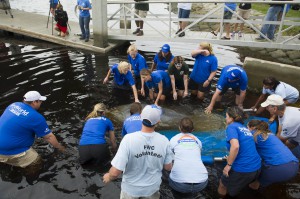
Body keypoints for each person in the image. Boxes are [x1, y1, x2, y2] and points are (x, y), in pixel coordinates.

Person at [103, 105, 173, 199]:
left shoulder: (128, 139)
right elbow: (168, 167)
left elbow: (115, 172)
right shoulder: (164, 141)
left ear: (140, 117)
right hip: (151, 189)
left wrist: (109, 176)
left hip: (131, 190)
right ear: (158, 122)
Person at [0, 91, 65, 168]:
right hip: (11, 151)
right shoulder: (36, 117)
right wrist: (60, 148)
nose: (41, 103)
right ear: (34, 102)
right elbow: (49, 137)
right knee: (36, 163)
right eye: (40, 101)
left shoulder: (13, 105)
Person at [218, 106, 261, 197]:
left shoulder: (232, 127)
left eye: (226, 116)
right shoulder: (244, 128)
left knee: (223, 185)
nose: (225, 118)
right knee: (249, 187)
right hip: (257, 166)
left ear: (232, 118)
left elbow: (235, 146)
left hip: (243, 168)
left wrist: (228, 165)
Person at [247, 120, 298, 190]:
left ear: (252, 128)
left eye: (247, 128)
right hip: (294, 165)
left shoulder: (254, 134)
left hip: (278, 168)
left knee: (253, 185)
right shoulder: (271, 134)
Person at [169, 118, 208, 197]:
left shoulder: (173, 140)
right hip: (201, 182)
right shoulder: (198, 141)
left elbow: (169, 156)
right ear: (193, 129)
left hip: (179, 183)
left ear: (179, 128)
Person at [260, 94, 300, 159]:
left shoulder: (288, 121)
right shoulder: (283, 111)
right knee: (286, 145)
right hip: (296, 133)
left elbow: (282, 138)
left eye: (267, 107)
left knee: (290, 156)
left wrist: (269, 139)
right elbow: (280, 126)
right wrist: (277, 137)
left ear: (275, 108)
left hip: (296, 134)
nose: (266, 108)